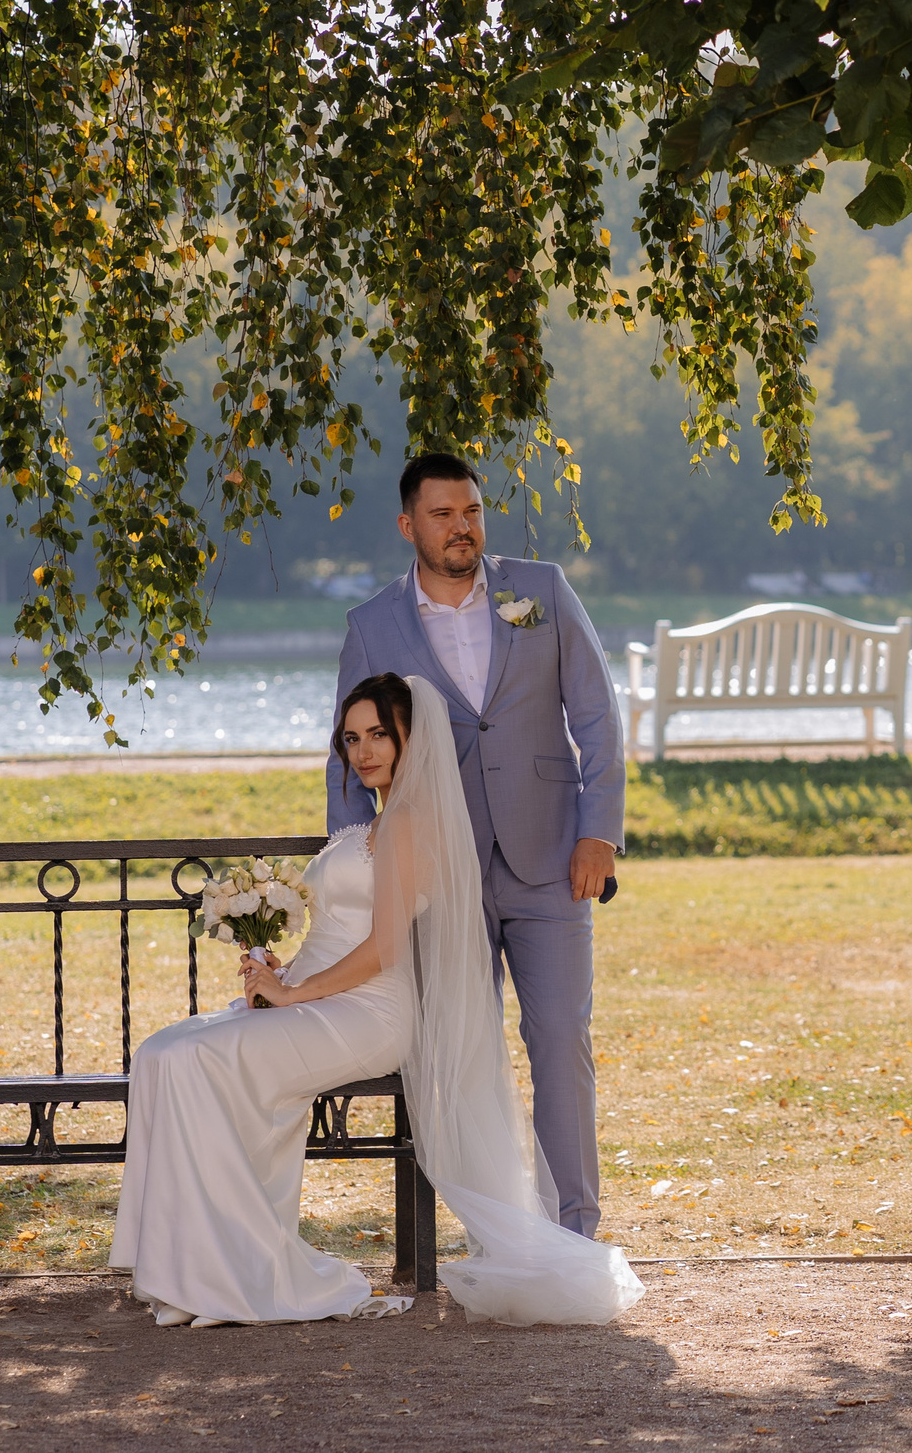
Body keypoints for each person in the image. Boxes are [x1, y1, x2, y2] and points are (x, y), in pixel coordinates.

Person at [113, 673, 643, 1326]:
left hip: (368, 1014)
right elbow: (339, 932)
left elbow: (386, 948)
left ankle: (234, 1274)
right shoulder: (377, 823)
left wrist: (293, 991)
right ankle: (190, 1265)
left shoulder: (408, 826)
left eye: (378, 735)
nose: (363, 751)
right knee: (161, 1052)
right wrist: (283, 969)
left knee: (189, 1059)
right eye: (352, 737)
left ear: (409, 741)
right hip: (322, 999)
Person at [327, 452, 625, 1237]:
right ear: (408, 525)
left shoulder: (542, 590)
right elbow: (347, 756)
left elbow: (597, 715)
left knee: (561, 1039)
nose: (461, 527)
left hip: (552, 860)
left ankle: (573, 1233)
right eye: (442, 514)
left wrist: (599, 830)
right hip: (438, 876)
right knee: (461, 1056)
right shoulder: (372, 627)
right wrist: (361, 871)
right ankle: (497, 1233)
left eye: (471, 511)